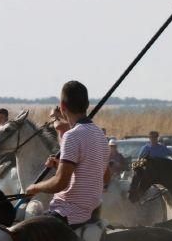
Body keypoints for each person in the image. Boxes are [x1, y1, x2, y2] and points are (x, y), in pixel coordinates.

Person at [26, 80, 109, 226]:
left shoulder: (72, 136)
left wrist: (35, 188)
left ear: (63, 106)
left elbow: (60, 183)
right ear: (87, 105)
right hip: (93, 212)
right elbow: (106, 176)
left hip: (67, 213)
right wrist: (61, 166)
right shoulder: (100, 135)